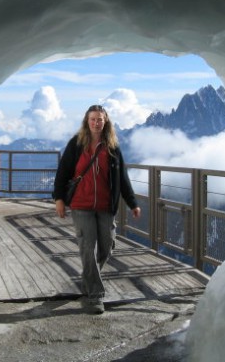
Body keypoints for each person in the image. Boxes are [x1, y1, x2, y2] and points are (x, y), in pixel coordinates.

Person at [52, 104, 142, 314]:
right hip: (81, 205)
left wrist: (133, 203)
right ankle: (94, 296)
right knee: (88, 247)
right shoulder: (76, 144)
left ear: (106, 121)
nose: (96, 123)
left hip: (105, 206)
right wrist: (59, 199)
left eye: (100, 119)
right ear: (87, 121)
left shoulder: (112, 147)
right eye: (92, 119)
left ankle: (88, 278)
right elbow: (62, 173)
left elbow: (123, 179)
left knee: (107, 246)